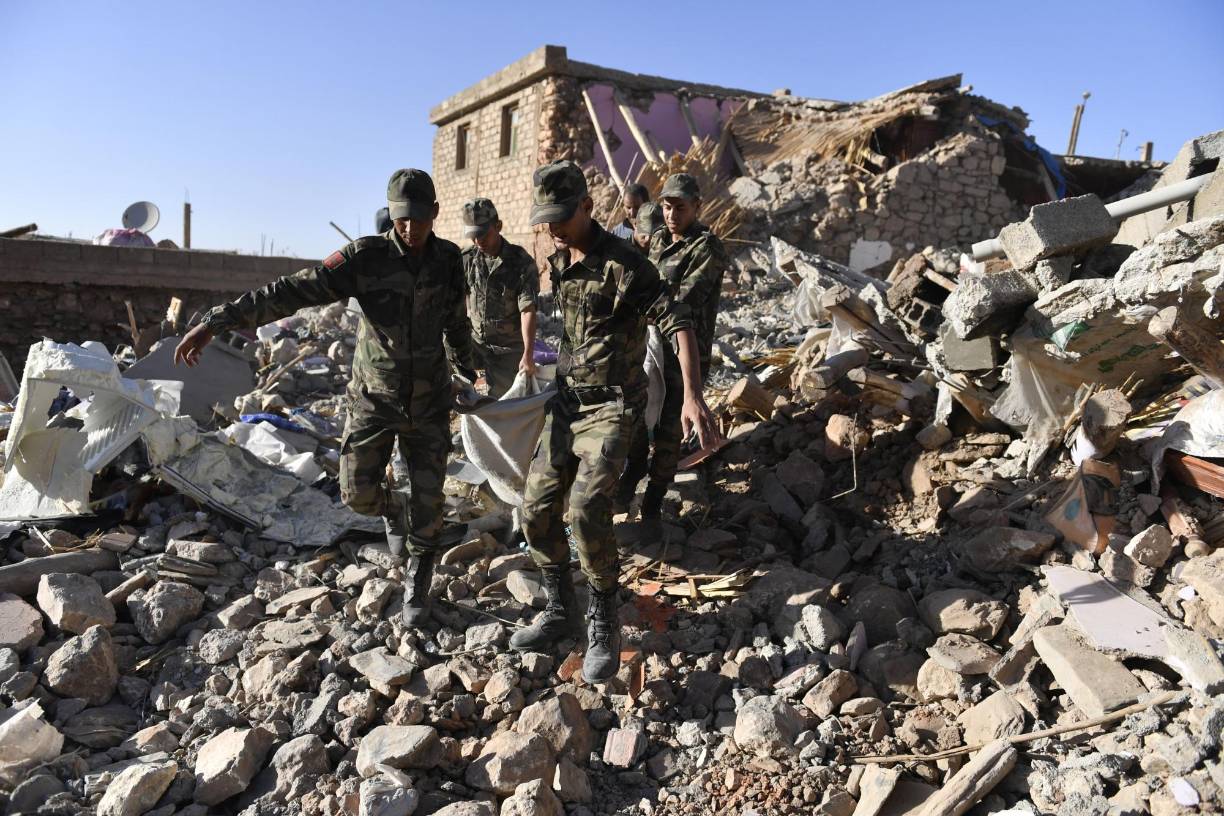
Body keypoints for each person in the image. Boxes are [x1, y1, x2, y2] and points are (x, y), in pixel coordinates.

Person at [173, 169, 475, 627]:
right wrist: (218, 320)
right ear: (390, 216)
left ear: (434, 213)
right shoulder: (365, 258)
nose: (410, 229)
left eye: (418, 219)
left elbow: (456, 320)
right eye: (401, 220)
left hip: (430, 402)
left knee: (430, 502)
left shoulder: (450, 259)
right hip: (375, 399)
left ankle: (419, 579)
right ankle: (393, 509)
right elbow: (291, 290)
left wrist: (467, 366)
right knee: (356, 495)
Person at [509, 160, 721, 683]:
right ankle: (561, 608)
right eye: (546, 218)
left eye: (561, 215)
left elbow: (680, 322)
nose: (553, 227)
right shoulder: (560, 261)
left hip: (613, 407)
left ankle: (604, 619)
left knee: (585, 509)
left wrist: (692, 395)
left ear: (587, 206)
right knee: (534, 509)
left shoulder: (627, 264)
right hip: (566, 403)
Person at [615, 173, 729, 519]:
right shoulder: (660, 239)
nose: (672, 215)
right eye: (667, 207)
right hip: (649, 347)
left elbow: (681, 303)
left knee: (668, 434)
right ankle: (631, 478)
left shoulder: (706, 248)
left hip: (685, 353)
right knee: (635, 420)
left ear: (697, 207)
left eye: (680, 208)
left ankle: (653, 503)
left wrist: (645, 299)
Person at [459, 198, 540, 398]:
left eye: (483, 234)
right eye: (473, 236)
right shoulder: (467, 258)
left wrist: (528, 354)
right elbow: (458, 301)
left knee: (504, 407)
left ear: (498, 226)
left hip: (507, 350)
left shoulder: (520, 262)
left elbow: (527, 310)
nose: (478, 241)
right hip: (476, 344)